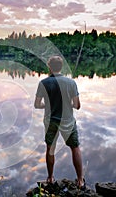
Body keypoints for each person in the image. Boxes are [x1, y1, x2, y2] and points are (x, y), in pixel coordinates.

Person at [34, 55, 85, 189]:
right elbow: (77, 105)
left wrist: (48, 105)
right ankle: (80, 180)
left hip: (51, 121)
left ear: (49, 67)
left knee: (50, 149)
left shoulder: (43, 83)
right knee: (75, 148)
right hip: (68, 121)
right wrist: (68, 104)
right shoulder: (71, 83)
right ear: (61, 67)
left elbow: (37, 105)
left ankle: (50, 178)